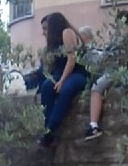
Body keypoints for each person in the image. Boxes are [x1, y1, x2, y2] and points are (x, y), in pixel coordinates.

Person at [27, 12, 90, 148]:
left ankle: (51, 129)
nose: (44, 32)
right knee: (47, 87)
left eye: (46, 28)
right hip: (62, 73)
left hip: (77, 72)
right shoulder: (52, 43)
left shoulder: (67, 33)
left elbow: (72, 60)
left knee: (66, 89)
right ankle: (48, 131)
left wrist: (61, 80)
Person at [85, 11, 128, 140]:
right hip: (114, 72)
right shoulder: (116, 40)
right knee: (96, 87)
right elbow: (107, 57)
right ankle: (93, 125)